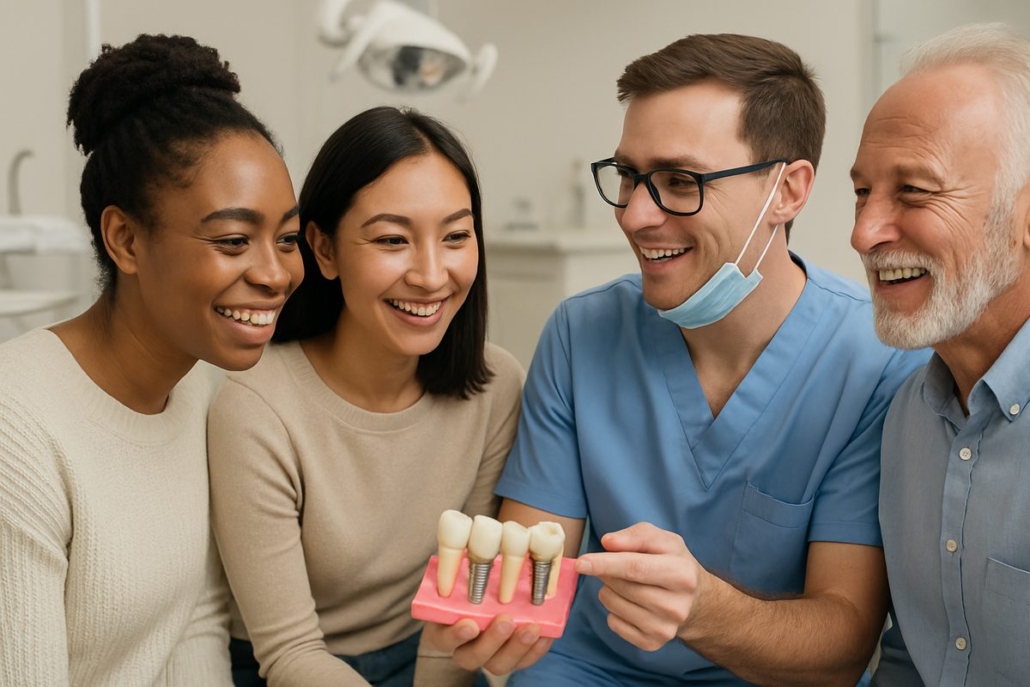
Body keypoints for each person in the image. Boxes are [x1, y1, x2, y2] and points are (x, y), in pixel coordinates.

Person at [427, 33, 930, 686]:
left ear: (789, 190)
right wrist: (493, 620)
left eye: (679, 181)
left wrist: (707, 610)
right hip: (585, 670)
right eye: (631, 177)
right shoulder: (582, 333)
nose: (636, 215)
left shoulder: (872, 362)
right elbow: (531, 577)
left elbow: (840, 644)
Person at [0, 34, 303, 687]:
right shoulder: (16, 423)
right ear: (125, 239)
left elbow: (190, 623)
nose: (276, 273)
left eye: (286, 238)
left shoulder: (198, 389)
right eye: (232, 239)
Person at [206, 105, 524, 687]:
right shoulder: (256, 407)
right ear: (323, 250)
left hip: (430, 657)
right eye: (392, 240)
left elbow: (457, 610)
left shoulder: (496, 385)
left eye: (456, 236)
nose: (431, 275)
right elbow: (289, 653)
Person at [849, 22, 1030, 687]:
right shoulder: (908, 419)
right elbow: (917, 653)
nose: (863, 232)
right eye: (862, 191)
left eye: (916, 191)